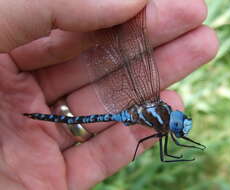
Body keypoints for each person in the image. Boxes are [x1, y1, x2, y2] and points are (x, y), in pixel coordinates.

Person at [0, 0, 218, 189]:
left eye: (178, 124)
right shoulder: (162, 124)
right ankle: (40, 117)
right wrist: (185, 151)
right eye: (178, 125)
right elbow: (167, 153)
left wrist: (193, 148)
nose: (179, 125)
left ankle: (36, 117)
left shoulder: (161, 119)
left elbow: (170, 148)